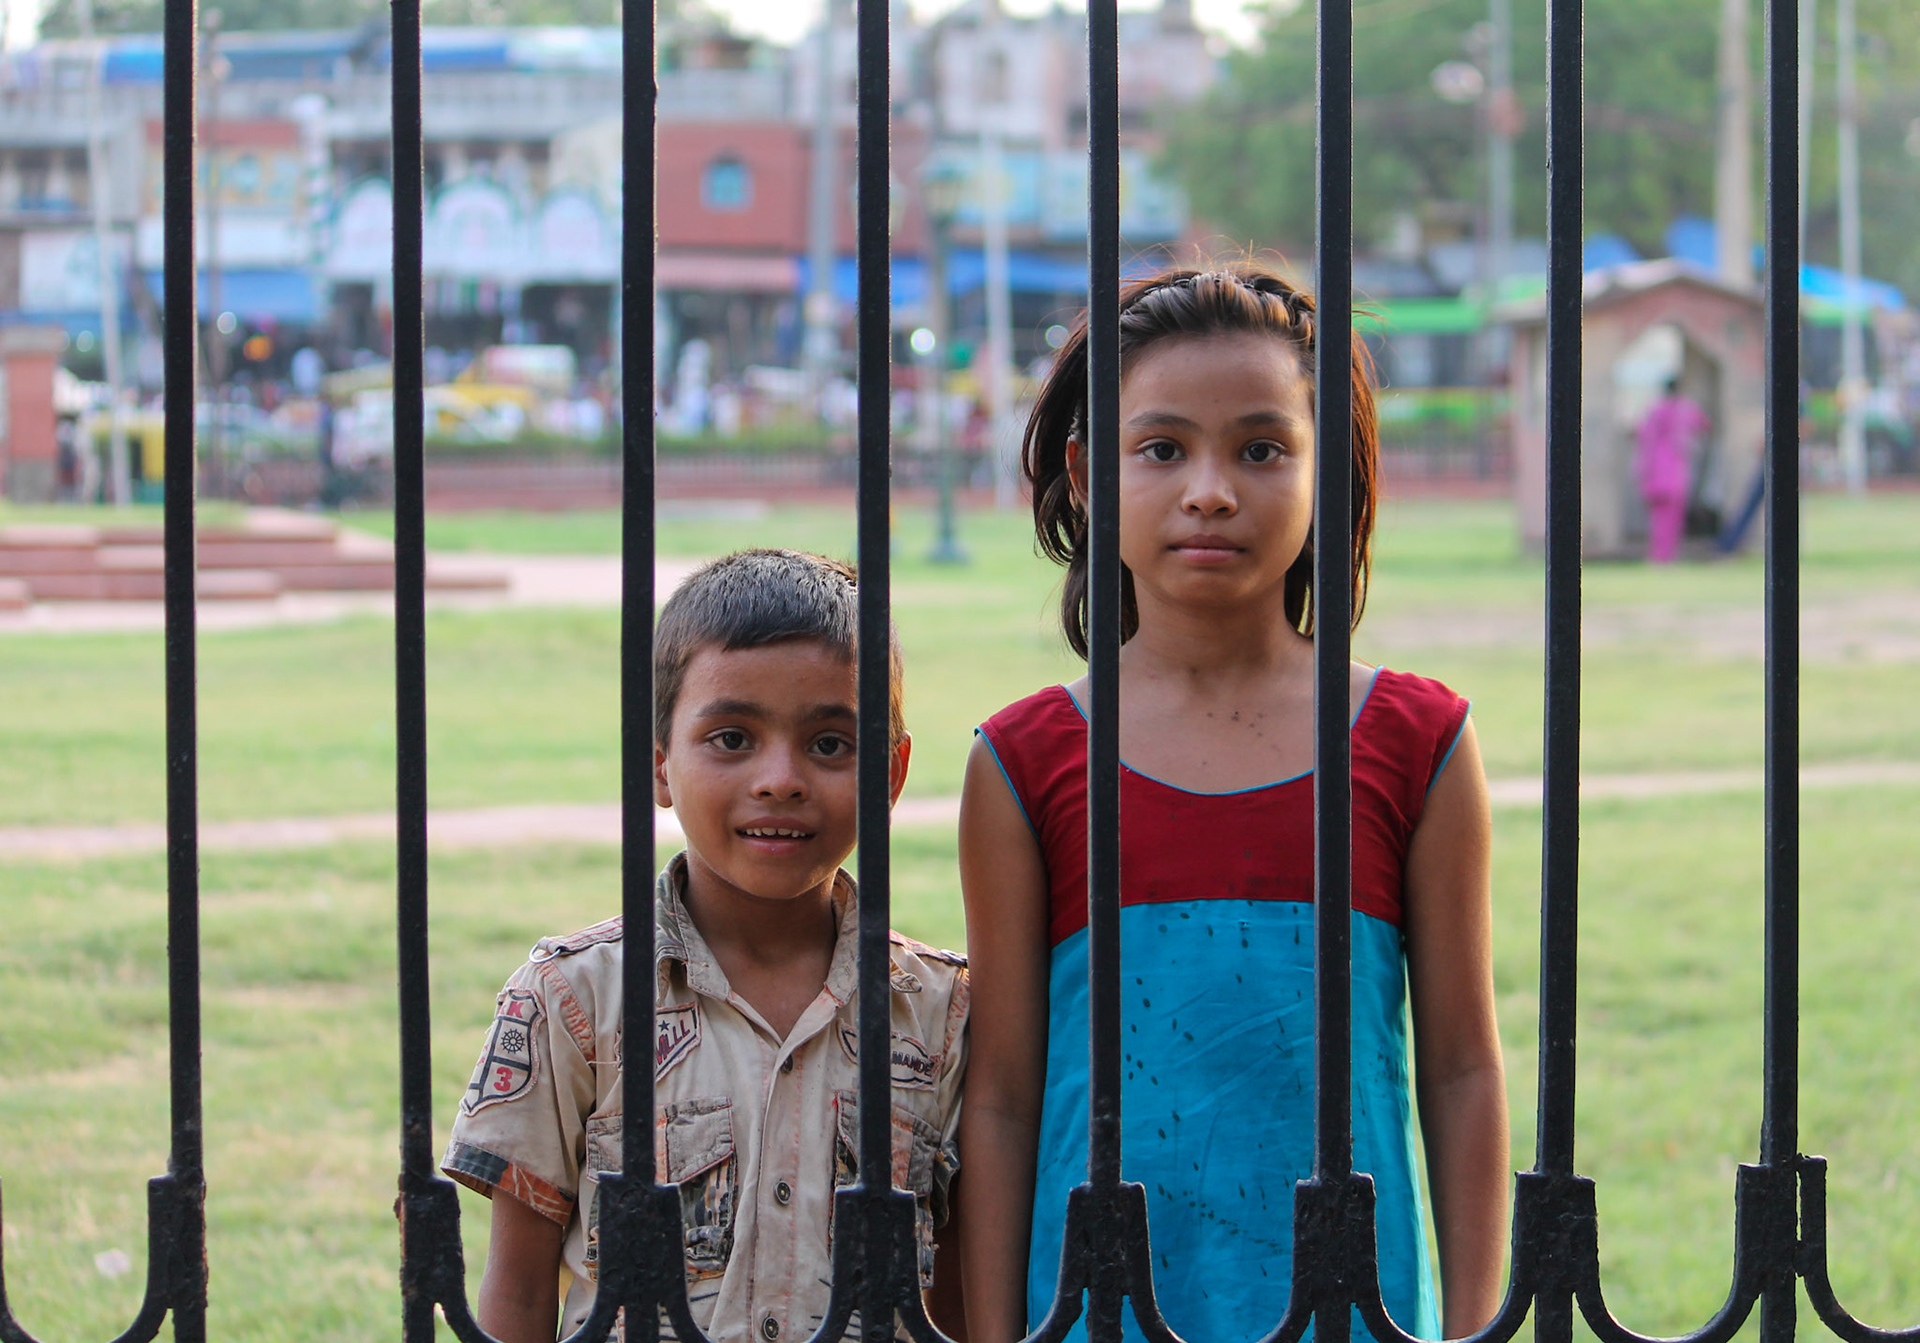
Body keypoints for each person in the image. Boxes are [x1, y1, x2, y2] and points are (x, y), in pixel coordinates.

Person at [957, 266, 1508, 1343]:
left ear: (1328, 475)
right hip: (1094, 1315)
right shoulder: (1024, 762)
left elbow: (1461, 1064)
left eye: (1261, 448)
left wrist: (1477, 1324)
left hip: (1356, 1310)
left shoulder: (1418, 741)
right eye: (1161, 448)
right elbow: (1004, 1094)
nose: (1210, 489)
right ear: (1085, 473)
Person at [443, 549, 969, 1343]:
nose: (780, 778)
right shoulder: (574, 1000)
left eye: (830, 744)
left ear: (891, 774)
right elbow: (517, 1288)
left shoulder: (941, 1013)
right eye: (731, 737)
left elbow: (957, 1297)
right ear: (658, 762)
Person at [1635, 377, 1709, 564]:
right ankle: (1668, 555)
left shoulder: (1655, 411)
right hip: (1675, 470)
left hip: (1656, 469)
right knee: (1673, 516)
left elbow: (1644, 438)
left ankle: (1658, 555)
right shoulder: (1686, 410)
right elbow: (1705, 425)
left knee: (1658, 517)